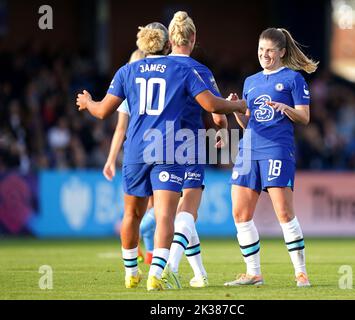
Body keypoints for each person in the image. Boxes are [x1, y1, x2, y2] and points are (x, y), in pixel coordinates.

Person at [76, 22, 247, 291]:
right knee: (166, 215)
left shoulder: (127, 71)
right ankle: (157, 273)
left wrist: (87, 103)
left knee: (131, 214)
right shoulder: (180, 69)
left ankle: (131, 273)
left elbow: (101, 112)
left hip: (135, 150)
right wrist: (238, 104)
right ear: (168, 45)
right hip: (170, 148)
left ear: (142, 46)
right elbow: (211, 105)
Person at [224, 27, 318, 287]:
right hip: (248, 148)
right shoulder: (251, 81)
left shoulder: (293, 79)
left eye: (269, 51)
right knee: (240, 213)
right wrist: (235, 110)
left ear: (281, 53)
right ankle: (253, 273)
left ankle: (301, 272)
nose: (264, 55)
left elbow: (305, 117)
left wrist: (286, 108)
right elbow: (247, 124)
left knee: (284, 212)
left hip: (277, 148)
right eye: (260, 50)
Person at [161, 11, 228, 289]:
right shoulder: (200, 70)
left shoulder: (157, 67)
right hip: (188, 143)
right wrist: (222, 129)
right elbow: (215, 109)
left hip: (156, 143)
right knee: (189, 206)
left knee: (179, 213)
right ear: (194, 38)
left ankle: (199, 274)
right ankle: (170, 267)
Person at [102, 49, 155, 265]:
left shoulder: (130, 88)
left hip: (136, 152)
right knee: (158, 209)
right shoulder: (157, 88)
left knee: (148, 208)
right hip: (158, 150)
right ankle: (131, 233)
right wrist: (110, 159)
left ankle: (149, 254)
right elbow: (119, 129)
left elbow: (120, 129)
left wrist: (111, 159)